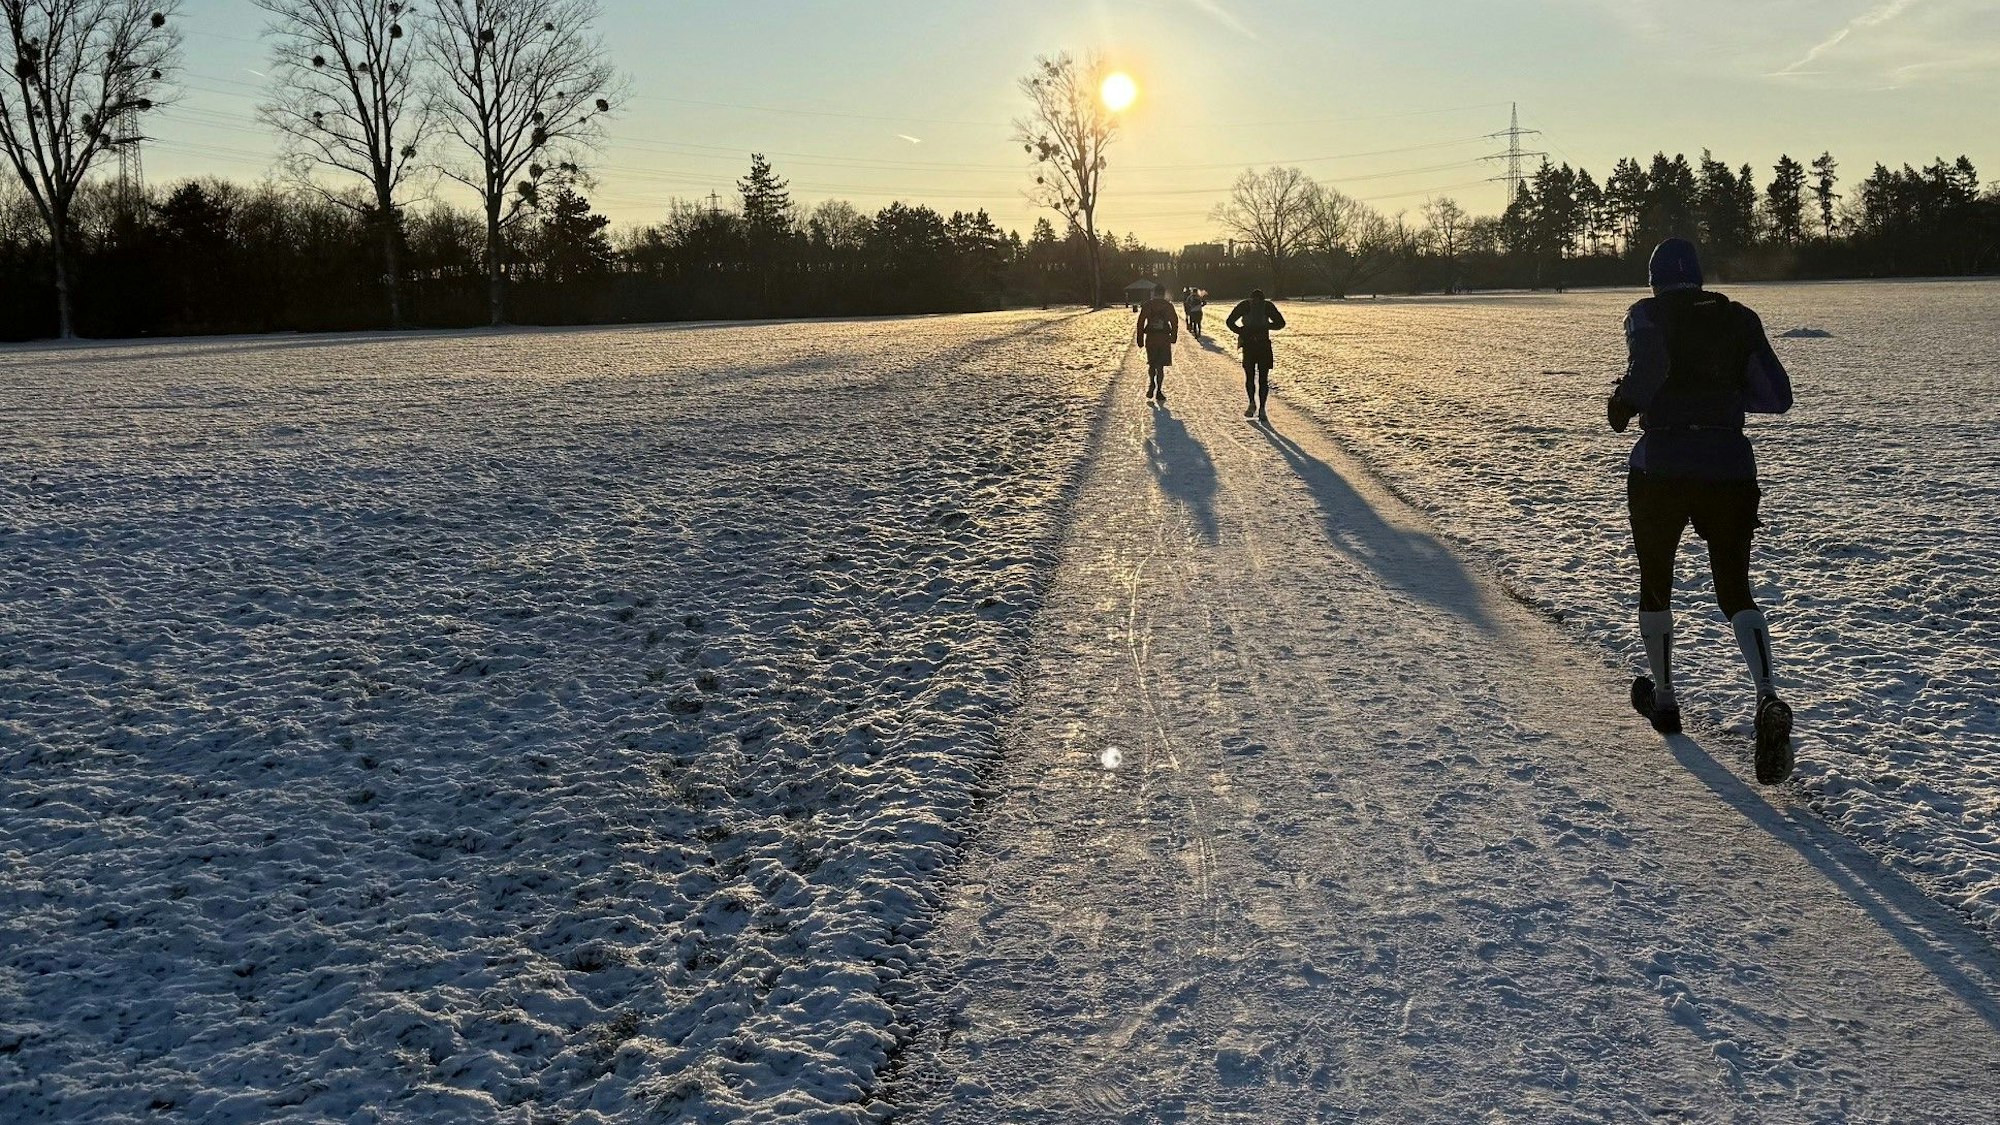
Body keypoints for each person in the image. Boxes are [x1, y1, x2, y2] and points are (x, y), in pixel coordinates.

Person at [1609, 237, 1796, 783]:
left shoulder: (1646, 313)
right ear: (1698, 274)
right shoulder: (1740, 318)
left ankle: (1665, 697)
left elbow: (1650, 366)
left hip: (1661, 465)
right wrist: (1723, 396)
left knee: (1655, 581)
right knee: (1735, 588)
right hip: (1728, 465)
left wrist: (1625, 403)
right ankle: (1766, 696)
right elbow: (1776, 396)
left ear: (1655, 279)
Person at [1226, 289, 1287, 419]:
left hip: (1248, 345)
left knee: (1250, 376)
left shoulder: (1244, 305)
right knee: (1263, 378)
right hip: (1263, 344)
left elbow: (1229, 322)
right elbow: (1281, 323)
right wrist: (1266, 327)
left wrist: (1241, 331)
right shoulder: (1268, 306)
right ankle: (1262, 409)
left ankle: (1252, 403)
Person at [1136, 285, 1180, 404]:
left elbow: (1140, 322)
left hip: (1151, 338)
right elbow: (1174, 322)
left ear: (1154, 293)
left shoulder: (1148, 305)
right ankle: (1159, 390)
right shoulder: (1168, 306)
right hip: (1164, 338)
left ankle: (1151, 383)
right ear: (1164, 293)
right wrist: (1174, 336)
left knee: (1152, 363)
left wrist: (1139, 338)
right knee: (1160, 366)